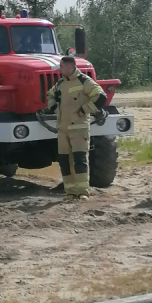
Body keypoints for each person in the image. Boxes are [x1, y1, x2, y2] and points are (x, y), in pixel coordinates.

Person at [45, 55, 107, 200]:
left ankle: (83, 192)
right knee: (64, 161)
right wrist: (54, 108)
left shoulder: (84, 81)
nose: (59, 69)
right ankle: (70, 192)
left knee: (80, 160)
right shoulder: (60, 83)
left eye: (61, 66)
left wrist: (85, 109)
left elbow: (100, 96)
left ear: (69, 67)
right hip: (63, 130)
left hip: (79, 129)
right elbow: (50, 95)